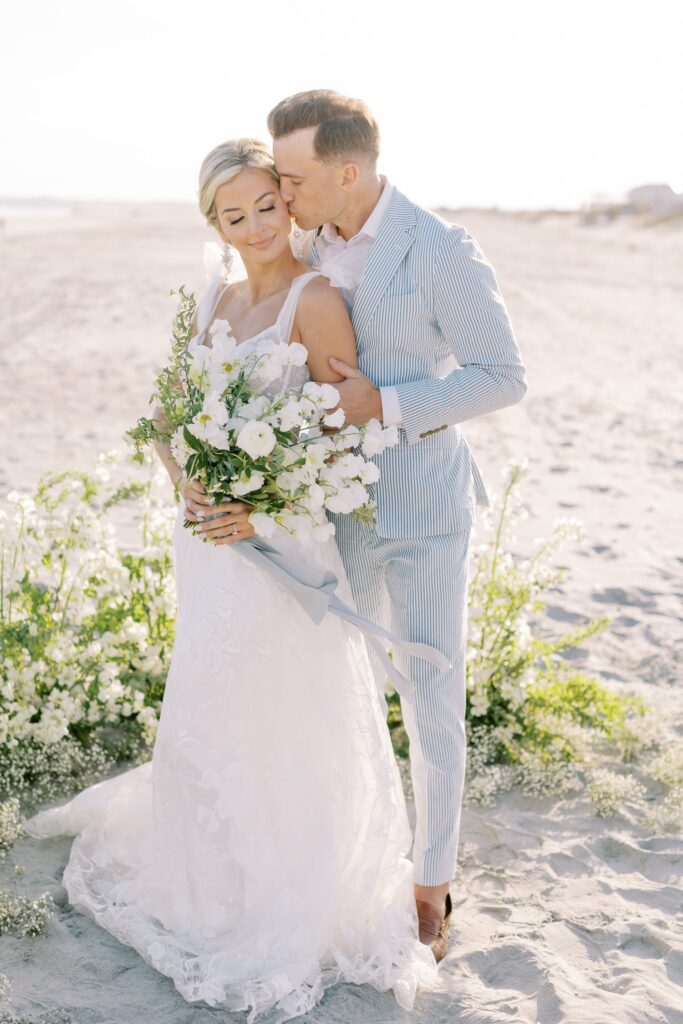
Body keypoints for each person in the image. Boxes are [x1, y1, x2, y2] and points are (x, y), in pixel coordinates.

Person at [24, 139, 438, 1022]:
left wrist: (260, 505)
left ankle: (290, 889)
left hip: (280, 541)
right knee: (211, 698)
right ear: (213, 223)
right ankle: (207, 876)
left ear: (288, 204)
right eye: (233, 215)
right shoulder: (212, 297)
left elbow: (343, 438)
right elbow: (167, 416)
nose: (253, 227)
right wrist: (189, 483)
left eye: (265, 206)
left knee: (282, 705)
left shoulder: (315, 299)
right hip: (207, 540)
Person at [268, 90, 527, 959]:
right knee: (324, 690)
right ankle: (331, 865)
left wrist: (386, 403)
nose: (281, 191)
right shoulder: (304, 242)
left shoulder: (441, 248)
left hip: (424, 510)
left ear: (348, 172)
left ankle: (431, 885)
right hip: (329, 509)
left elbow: (501, 375)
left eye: (293, 176)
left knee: (430, 702)